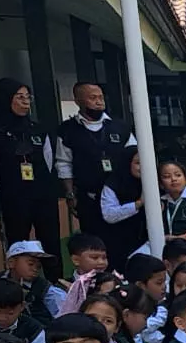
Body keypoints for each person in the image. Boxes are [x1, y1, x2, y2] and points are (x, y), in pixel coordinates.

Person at [0, 78, 63, 279]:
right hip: (14, 196)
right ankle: (21, 285)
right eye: (20, 97)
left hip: (43, 194)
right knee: (18, 243)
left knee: (51, 241)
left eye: (28, 97)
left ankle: (56, 283)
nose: (26, 102)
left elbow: (48, 159)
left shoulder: (37, 129)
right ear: (5, 99)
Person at [55, 81, 135, 261]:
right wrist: (69, 194)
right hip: (89, 198)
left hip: (122, 197)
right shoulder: (67, 131)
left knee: (126, 241)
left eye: (100, 97)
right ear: (78, 101)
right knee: (94, 243)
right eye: (92, 98)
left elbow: (135, 158)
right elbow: (64, 164)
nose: (99, 102)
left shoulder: (120, 127)